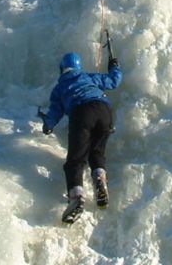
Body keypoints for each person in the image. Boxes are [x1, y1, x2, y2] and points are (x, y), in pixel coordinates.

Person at [40, 51, 122, 223]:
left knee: (75, 160)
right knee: (96, 153)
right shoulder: (90, 77)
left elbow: (55, 112)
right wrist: (114, 66)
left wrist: (48, 125)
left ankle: (76, 197)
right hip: (104, 111)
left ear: (62, 69)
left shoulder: (60, 87)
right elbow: (114, 81)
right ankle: (99, 179)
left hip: (82, 113)